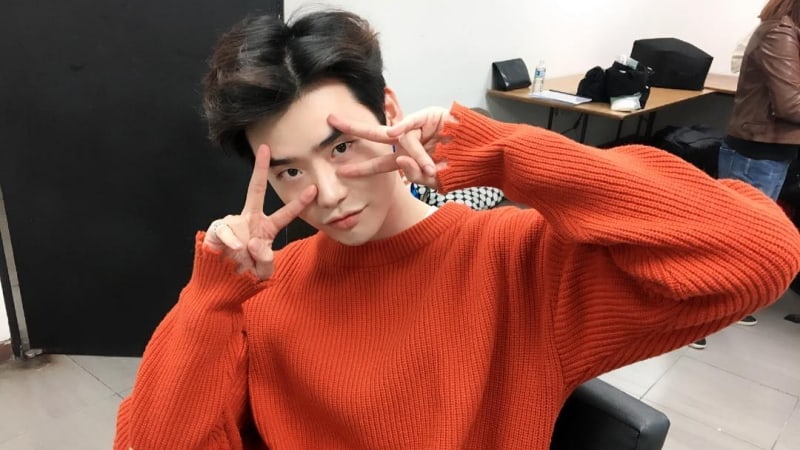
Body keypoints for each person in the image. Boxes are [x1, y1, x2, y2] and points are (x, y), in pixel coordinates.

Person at [114, 9, 800, 450]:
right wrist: (209, 301)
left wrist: (500, 151)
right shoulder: (263, 292)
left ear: (389, 111)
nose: (327, 193)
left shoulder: (516, 263)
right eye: (289, 171)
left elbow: (760, 253)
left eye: (341, 147)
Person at [689, 0, 800, 349]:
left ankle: (723, 306)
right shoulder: (780, 34)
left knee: (744, 239)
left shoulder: (789, 32)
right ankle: (692, 318)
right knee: (732, 238)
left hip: (771, 151)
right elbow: (791, 104)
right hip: (756, 153)